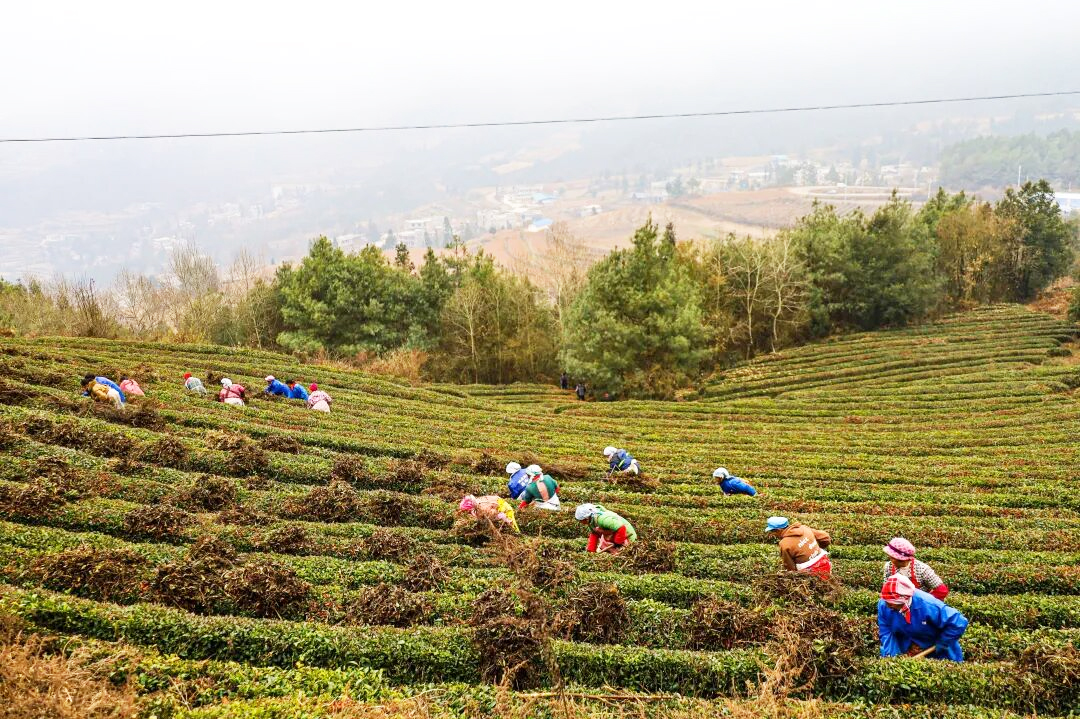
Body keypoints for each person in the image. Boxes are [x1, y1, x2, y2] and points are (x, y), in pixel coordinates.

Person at [879, 574, 968, 662]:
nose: (887, 605)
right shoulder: (883, 605)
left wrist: (942, 642)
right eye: (886, 601)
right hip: (906, 646)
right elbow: (886, 631)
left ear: (904, 599)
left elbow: (959, 622)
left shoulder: (928, 605)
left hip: (936, 648)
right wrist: (894, 657)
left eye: (891, 602)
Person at [765, 516, 832, 579]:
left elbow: (790, 567)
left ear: (778, 530)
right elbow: (825, 537)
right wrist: (814, 548)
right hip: (825, 564)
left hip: (810, 574)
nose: (772, 534)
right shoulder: (803, 528)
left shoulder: (784, 544)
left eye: (772, 532)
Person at [883, 537, 949, 600]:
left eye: (894, 558)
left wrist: (925, 601)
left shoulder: (922, 569)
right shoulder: (889, 567)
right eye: (891, 557)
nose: (892, 560)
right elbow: (886, 589)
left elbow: (941, 590)